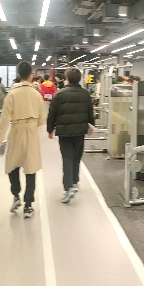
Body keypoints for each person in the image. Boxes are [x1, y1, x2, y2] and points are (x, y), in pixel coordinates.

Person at [0, 61, 47, 218]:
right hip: (31, 132)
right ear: (31, 75)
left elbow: (4, 121)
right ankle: (28, 206)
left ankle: (16, 195)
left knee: (13, 165)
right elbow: (42, 120)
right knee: (31, 168)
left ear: (18, 74)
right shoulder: (36, 94)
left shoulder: (12, 94)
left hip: (16, 131)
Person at [47, 68, 96, 203]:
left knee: (67, 158)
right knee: (76, 157)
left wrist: (50, 129)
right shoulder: (85, 94)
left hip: (64, 132)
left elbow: (52, 113)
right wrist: (92, 125)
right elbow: (90, 112)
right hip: (80, 131)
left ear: (67, 78)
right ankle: (75, 182)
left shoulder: (59, 94)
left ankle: (68, 187)